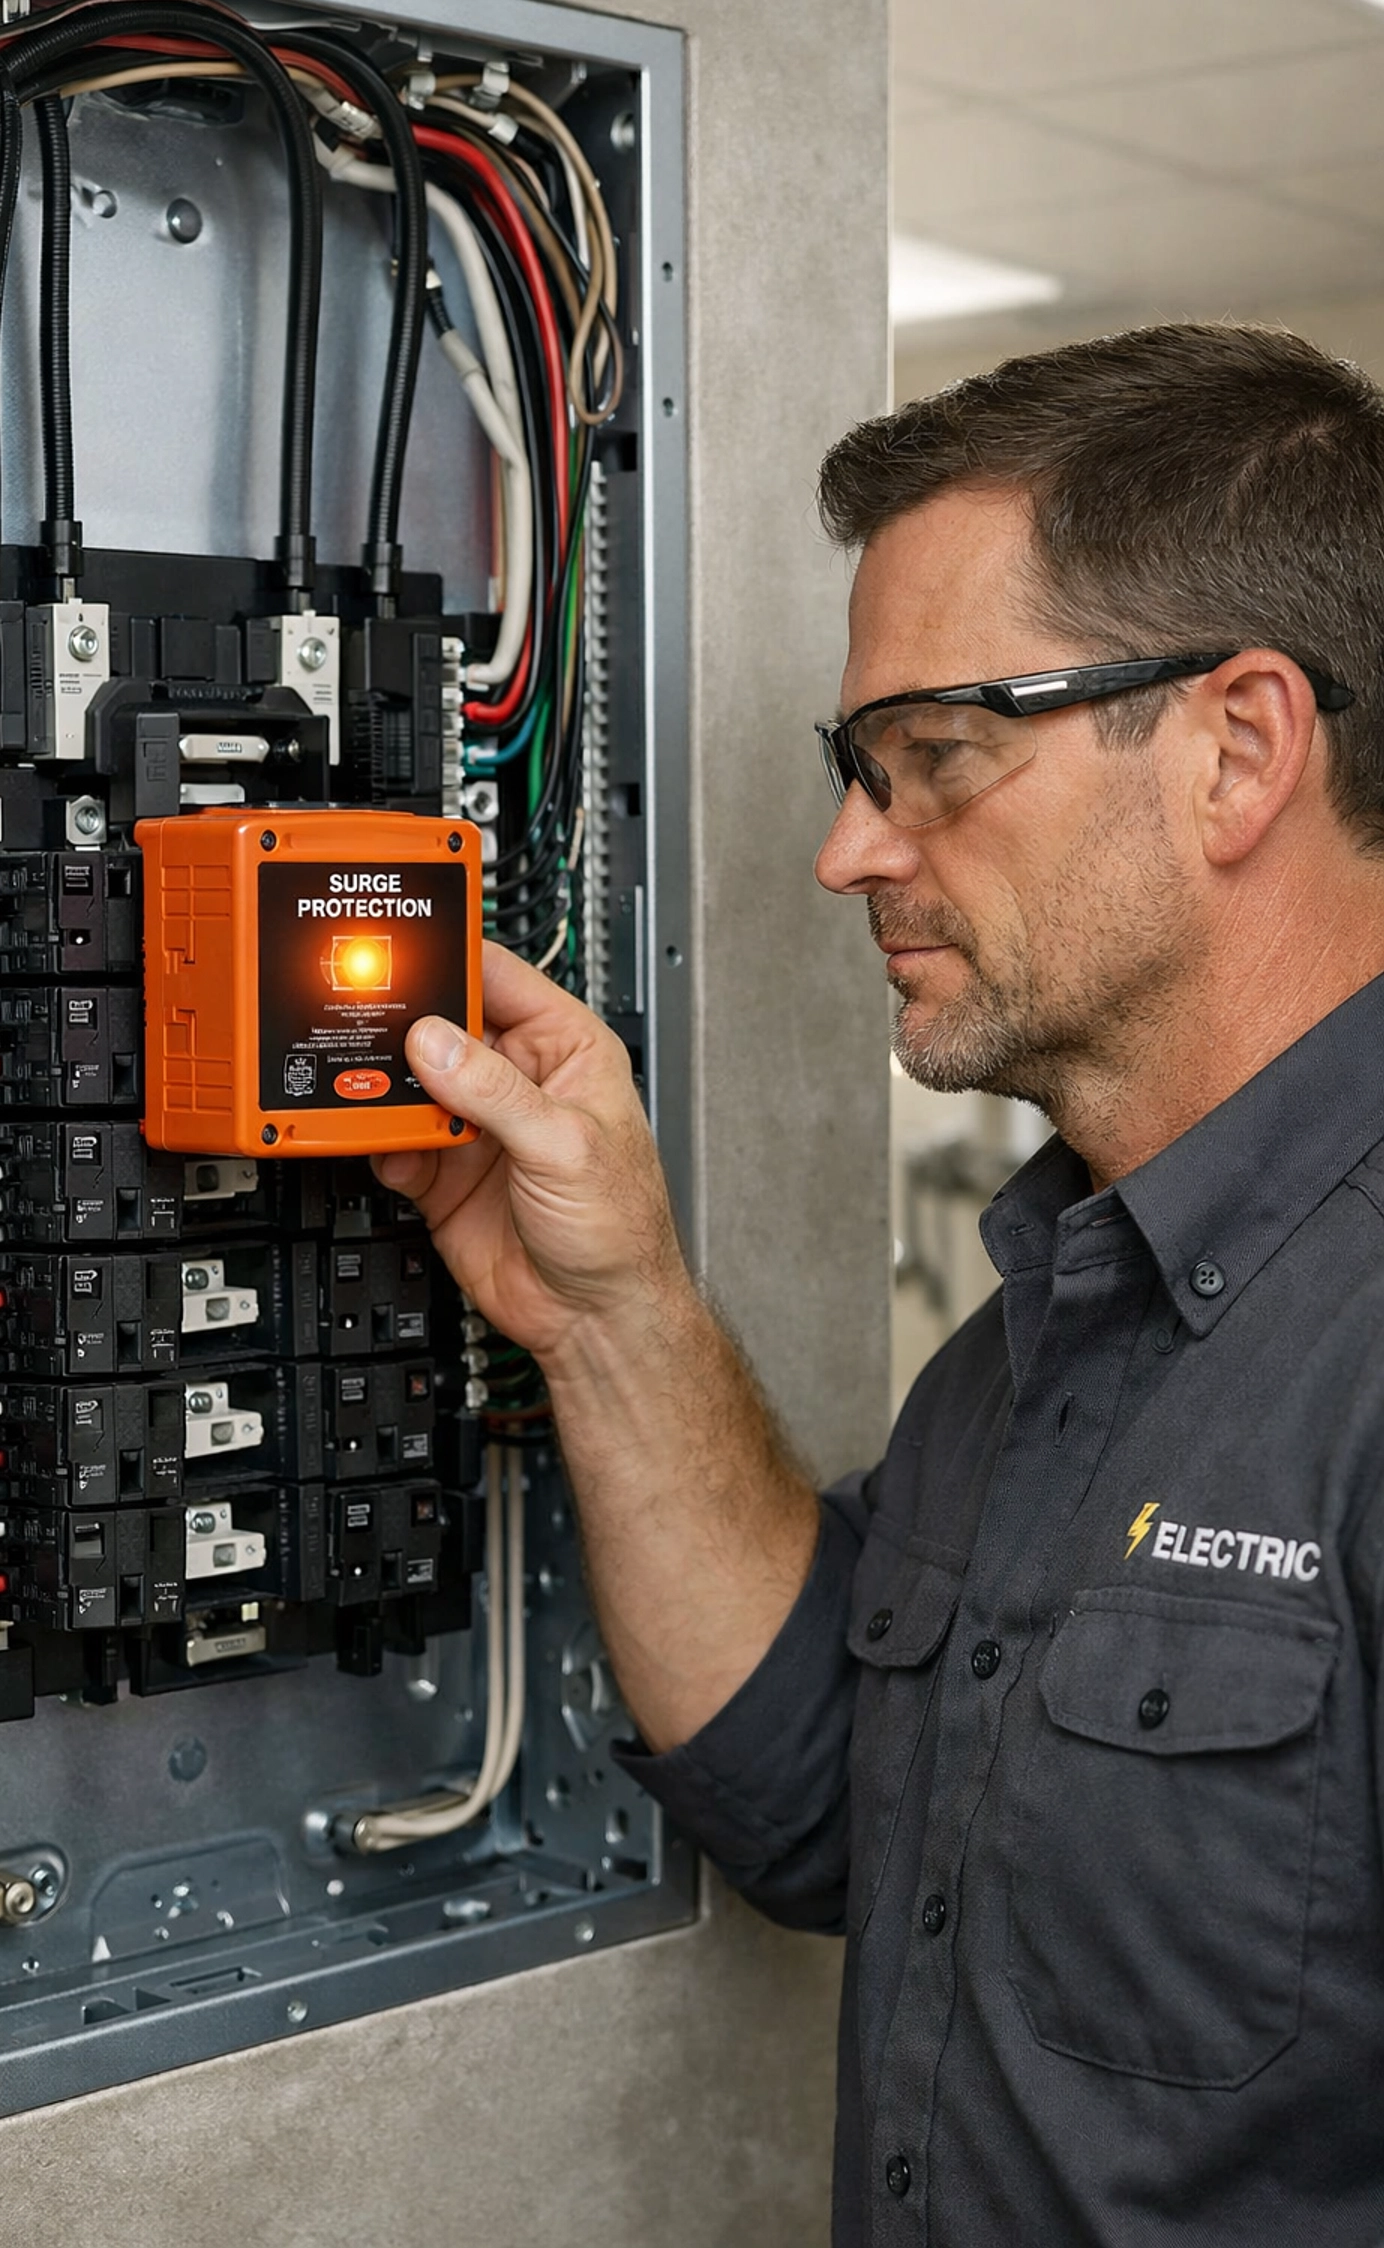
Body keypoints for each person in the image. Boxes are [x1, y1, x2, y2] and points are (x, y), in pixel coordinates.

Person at [372, 323, 1384, 2246]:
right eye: (859, 767)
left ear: (1239, 748)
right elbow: (834, 1803)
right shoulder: (1038, 1332)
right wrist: (613, 1315)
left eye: (937, 758)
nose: (849, 850)